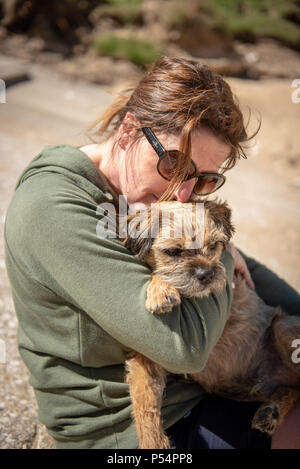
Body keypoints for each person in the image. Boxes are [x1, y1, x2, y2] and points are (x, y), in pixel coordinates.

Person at [4, 56, 300, 449]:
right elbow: (184, 347)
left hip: (202, 394)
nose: (181, 194)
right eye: (173, 163)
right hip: (130, 428)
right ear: (128, 131)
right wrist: (221, 251)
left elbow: (246, 271)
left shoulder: (135, 201)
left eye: (203, 180)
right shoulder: (55, 207)